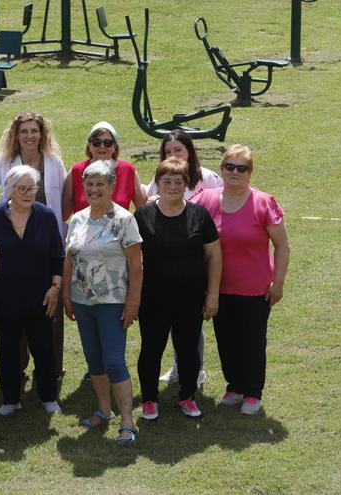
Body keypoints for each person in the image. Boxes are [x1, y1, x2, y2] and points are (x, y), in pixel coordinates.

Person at [193, 144, 289, 416]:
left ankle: (252, 392)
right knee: (226, 338)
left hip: (255, 289)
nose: (234, 172)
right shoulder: (206, 199)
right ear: (221, 169)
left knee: (252, 341)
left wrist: (278, 282)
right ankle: (234, 386)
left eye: (241, 168)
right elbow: (183, 216)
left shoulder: (262, 203)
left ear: (250, 172)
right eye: (229, 167)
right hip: (219, 287)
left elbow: (282, 246)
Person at [0, 111, 68, 402]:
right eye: (24, 132)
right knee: (10, 332)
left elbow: (64, 197)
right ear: (15, 136)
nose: (30, 136)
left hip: (44, 241)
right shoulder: (4, 164)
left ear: (42, 134)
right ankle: (14, 381)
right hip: (12, 246)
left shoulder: (53, 163)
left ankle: (51, 375)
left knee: (47, 324)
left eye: (34, 131)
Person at [134, 158, 221, 421]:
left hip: (190, 298)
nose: (172, 186)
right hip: (152, 298)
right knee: (151, 348)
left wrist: (213, 294)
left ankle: (187, 396)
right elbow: (130, 259)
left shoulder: (199, 215)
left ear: (186, 185)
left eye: (178, 181)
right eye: (166, 181)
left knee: (188, 349)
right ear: (157, 184)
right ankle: (149, 399)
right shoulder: (142, 216)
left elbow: (215, 255)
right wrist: (132, 297)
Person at [62, 160, 142, 445]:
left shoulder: (124, 219)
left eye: (100, 184)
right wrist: (66, 297)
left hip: (112, 301)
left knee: (113, 361)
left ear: (112, 186)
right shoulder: (78, 219)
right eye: (89, 183)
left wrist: (133, 302)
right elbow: (69, 258)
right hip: (83, 302)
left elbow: (136, 265)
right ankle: (103, 411)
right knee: (94, 360)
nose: (94, 189)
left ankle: (127, 422)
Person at [150, 130, 224, 386]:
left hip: (200, 257)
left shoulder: (210, 179)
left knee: (192, 323)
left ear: (189, 152)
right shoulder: (163, 178)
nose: (173, 155)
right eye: (168, 152)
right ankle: (179, 366)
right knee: (173, 322)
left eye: (178, 150)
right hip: (171, 262)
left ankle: (196, 368)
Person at [61, 121, 146, 220]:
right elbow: (64, 214)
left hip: (118, 232)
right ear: (89, 145)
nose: (102, 146)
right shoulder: (76, 170)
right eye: (96, 142)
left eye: (108, 143)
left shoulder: (128, 171)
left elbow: (143, 211)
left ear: (115, 146)